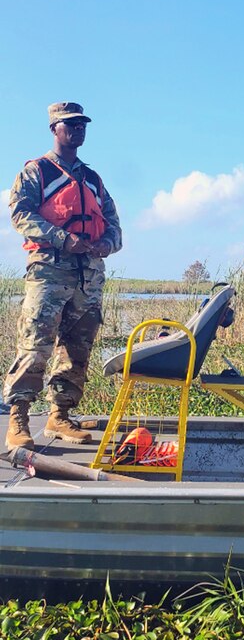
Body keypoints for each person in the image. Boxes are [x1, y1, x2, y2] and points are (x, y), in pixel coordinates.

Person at [3, 102, 123, 450]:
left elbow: (115, 225)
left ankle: (59, 416)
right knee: (35, 343)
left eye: (82, 124)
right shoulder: (36, 171)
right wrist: (61, 237)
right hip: (49, 271)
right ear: (54, 128)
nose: (78, 129)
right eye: (70, 124)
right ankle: (19, 420)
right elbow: (20, 214)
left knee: (77, 348)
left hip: (89, 276)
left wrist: (105, 244)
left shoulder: (92, 178)